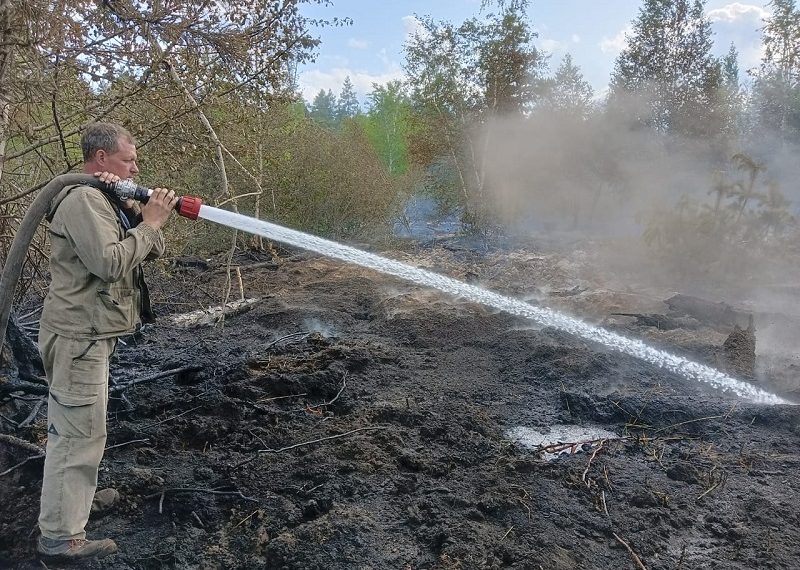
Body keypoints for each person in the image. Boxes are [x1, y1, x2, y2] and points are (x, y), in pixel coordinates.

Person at [36, 122, 178, 561]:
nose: (136, 168)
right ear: (101, 158)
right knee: (76, 435)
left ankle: (72, 503)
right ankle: (60, 539)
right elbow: (110, 263)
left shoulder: (103, 198)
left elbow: (148, 249)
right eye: (128, 160)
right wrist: (150, 224)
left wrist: (138, 213)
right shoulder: (82, 199)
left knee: (85, 430)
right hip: (78, 337)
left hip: (90, 334)